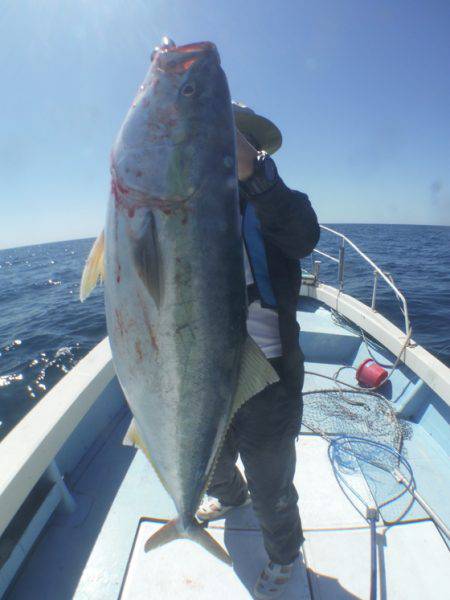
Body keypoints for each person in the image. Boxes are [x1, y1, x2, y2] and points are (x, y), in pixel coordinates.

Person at [196, 102, 320, 599]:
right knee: (210, 460)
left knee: (273, 486)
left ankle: (285, 553)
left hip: (266, 374)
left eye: (239, 143)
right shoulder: (195, 206)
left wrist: (258, 179)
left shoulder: (276, 203)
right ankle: (229, 496)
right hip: (206, 370)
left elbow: (304, 236)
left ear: (254, 151)